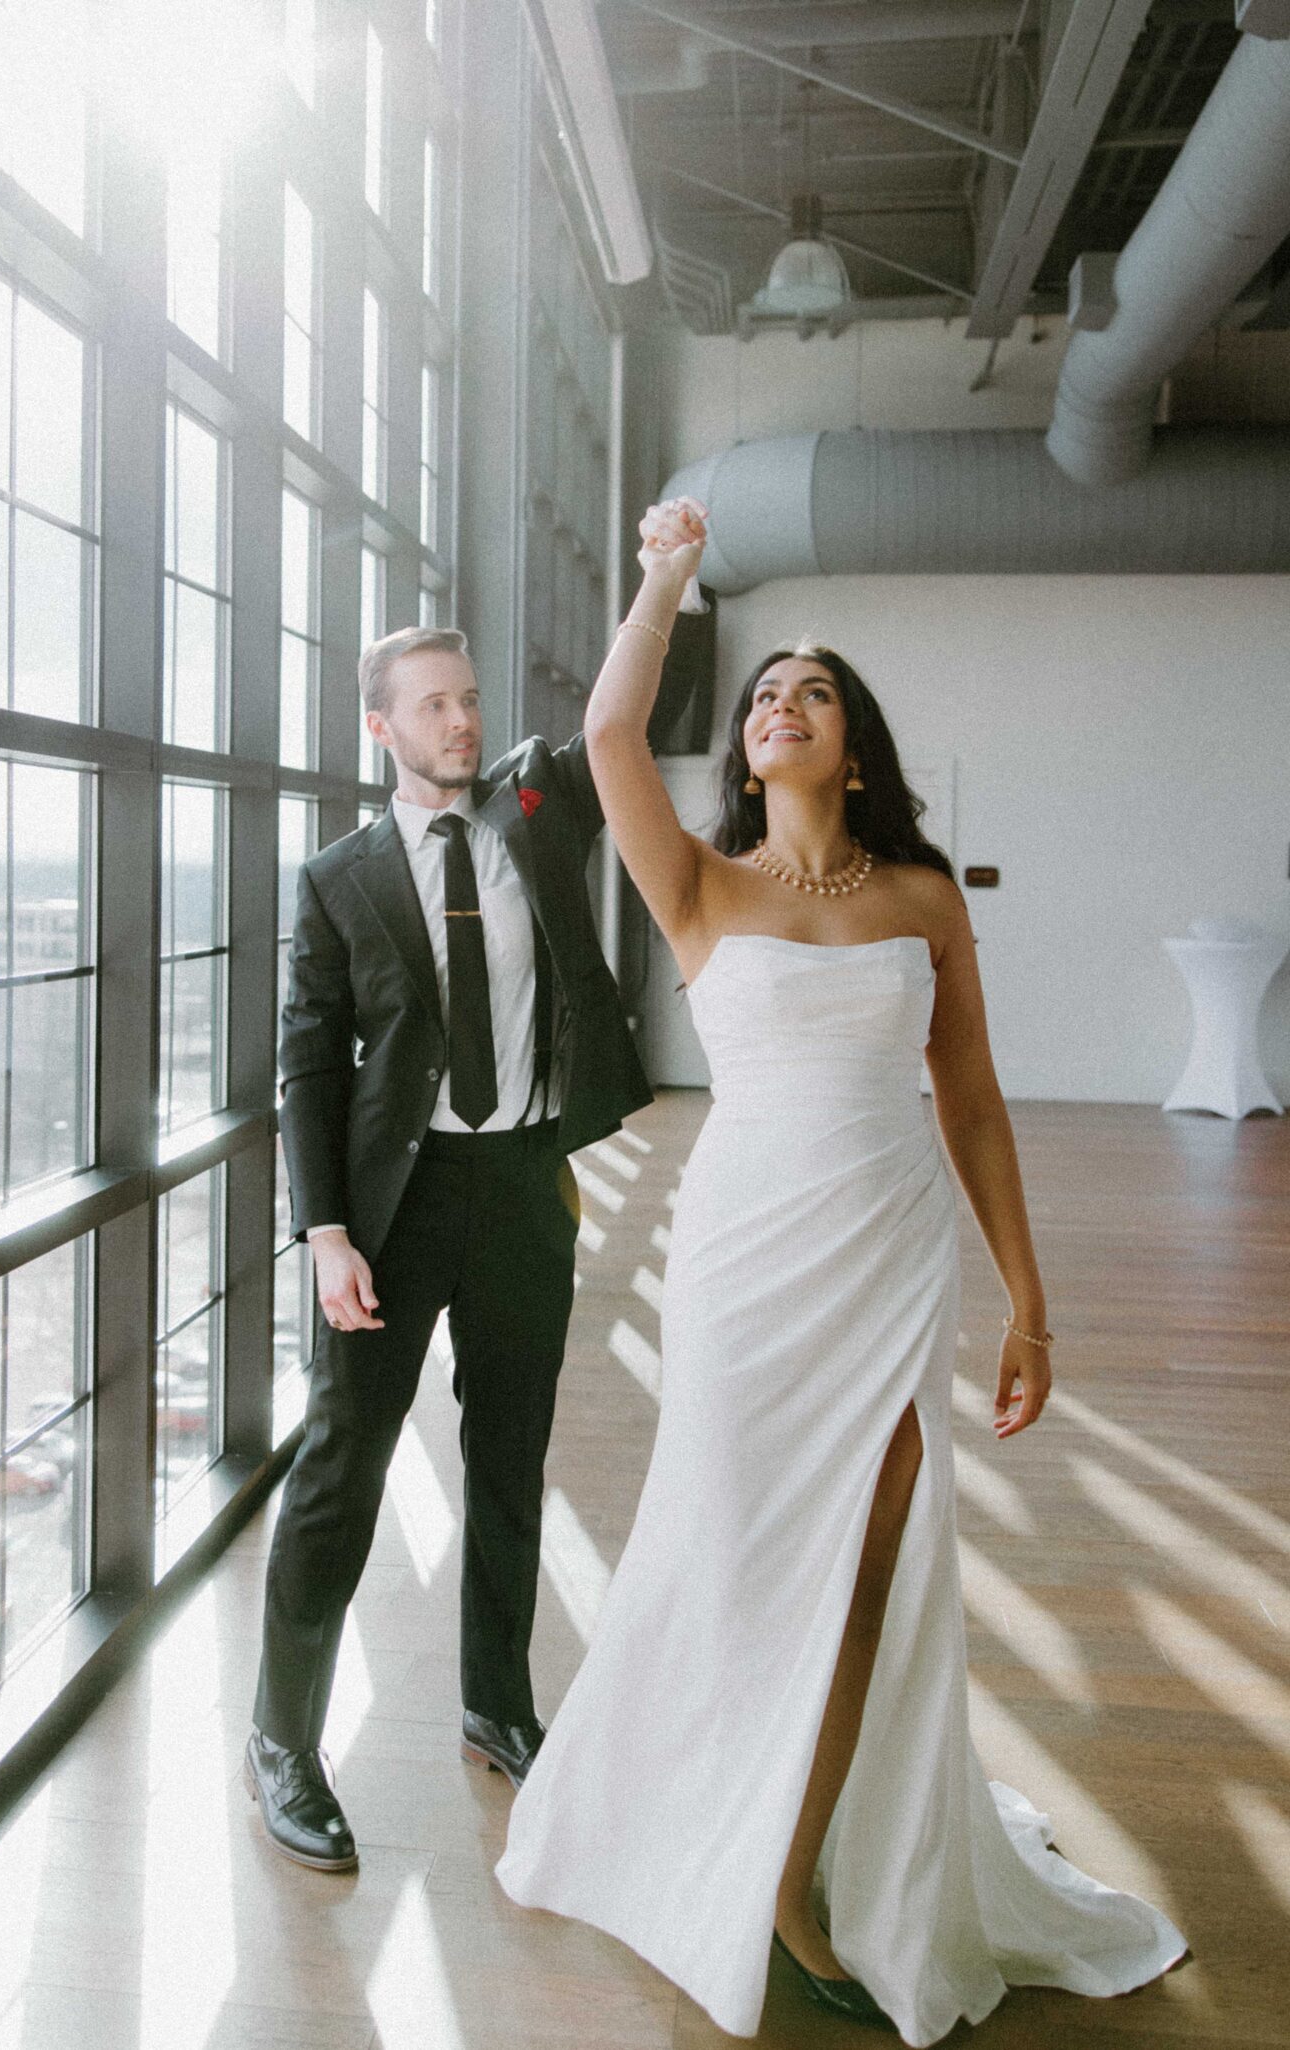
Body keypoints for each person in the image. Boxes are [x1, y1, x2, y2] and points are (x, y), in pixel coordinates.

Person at [495, 500, 1190, 2044]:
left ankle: (799, 1871)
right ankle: (712, 1812)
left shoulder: (922, 901)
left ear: (852, 746)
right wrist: (670, 575)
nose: (778, 706)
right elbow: (612, 726)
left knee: (869, 1563)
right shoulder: (699, 884)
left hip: (888, 1258)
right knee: (740, 1545)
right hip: (744, 1259)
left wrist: (1029, 1294)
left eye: (809, 692)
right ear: (746, 754)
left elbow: (977, 1102)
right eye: (762, 698)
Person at [245, 622, 694, 1871]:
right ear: (381, 727)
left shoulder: (539, 810)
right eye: (433, 706)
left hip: (520, 1183)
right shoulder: (338, 878)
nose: (462, 722)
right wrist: (324, 1232)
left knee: (509, 1458)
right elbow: (304, 1062)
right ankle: (281, 1739)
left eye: (470, 700)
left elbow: (631, 708)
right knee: (341, 1473)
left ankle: (495, 1700)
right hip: (395, 1205)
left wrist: (663, 581)